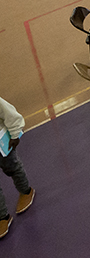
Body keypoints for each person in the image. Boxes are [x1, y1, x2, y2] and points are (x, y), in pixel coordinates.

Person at [0, 94, 35, 238]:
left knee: (12, 167)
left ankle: (26, 191)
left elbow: (8, 113)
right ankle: (3, 217)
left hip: (1, 143)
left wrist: (15, 134)